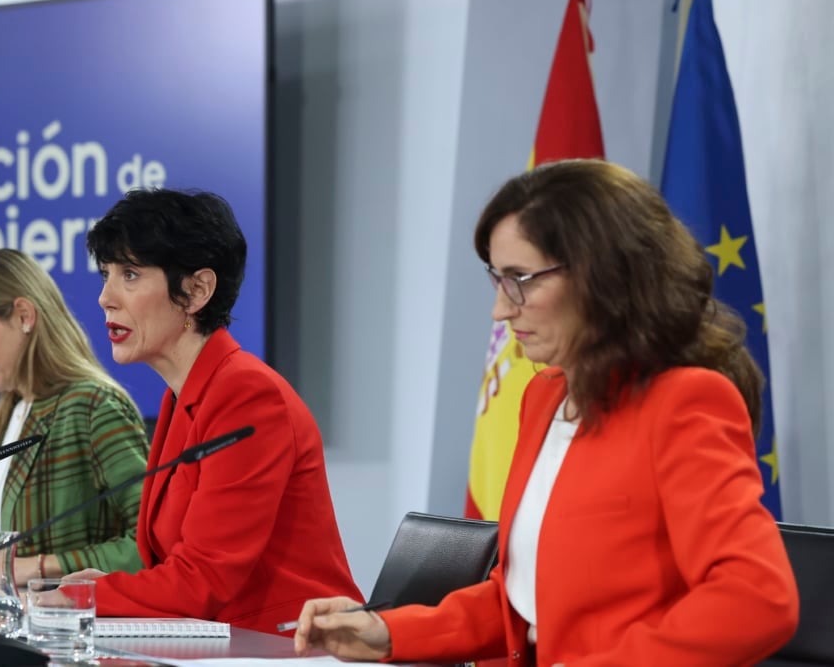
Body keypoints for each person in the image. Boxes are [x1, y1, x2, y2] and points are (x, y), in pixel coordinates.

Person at [293, 160, 799, 665]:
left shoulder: (683, 402)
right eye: (498, 279)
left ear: (605, 275)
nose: (501, 309)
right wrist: (387, 632)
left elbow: (757, 598)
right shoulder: (544, 398)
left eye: (522, 279)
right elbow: (523, 604)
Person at [63, 188, 361, 635]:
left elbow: (204, 579)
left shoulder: (247, 394)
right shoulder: (183, 395)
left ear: (197, 290)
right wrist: (108, 586)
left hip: (290, 649)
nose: (106, 297)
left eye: (129, 274)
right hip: (218, 643)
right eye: (106, 274)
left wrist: (79, 598)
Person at [0, 249, 149, 617]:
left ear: (24, 316)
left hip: (68, 639)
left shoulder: (93, 404)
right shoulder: (10, 411)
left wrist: (31, 566)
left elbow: (149, 548)